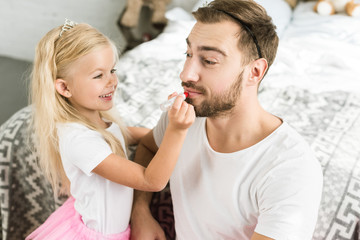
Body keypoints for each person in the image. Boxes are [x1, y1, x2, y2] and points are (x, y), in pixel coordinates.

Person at [130, 0, 323, 239]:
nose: (185, 74)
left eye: (209, 60)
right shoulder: (182, 119)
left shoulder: (290, 170)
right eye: (188, 54)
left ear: (255, 72)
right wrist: (140, 211)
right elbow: (148, 147)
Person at [26, 19, 195, 240]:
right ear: (64, 87)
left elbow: (131, 134)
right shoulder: (78, 140)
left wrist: (180, 138)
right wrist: (176, 130)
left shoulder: (96, 120)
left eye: (112, 70)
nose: (112, 82)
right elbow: (151, 181)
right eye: (99, 75)